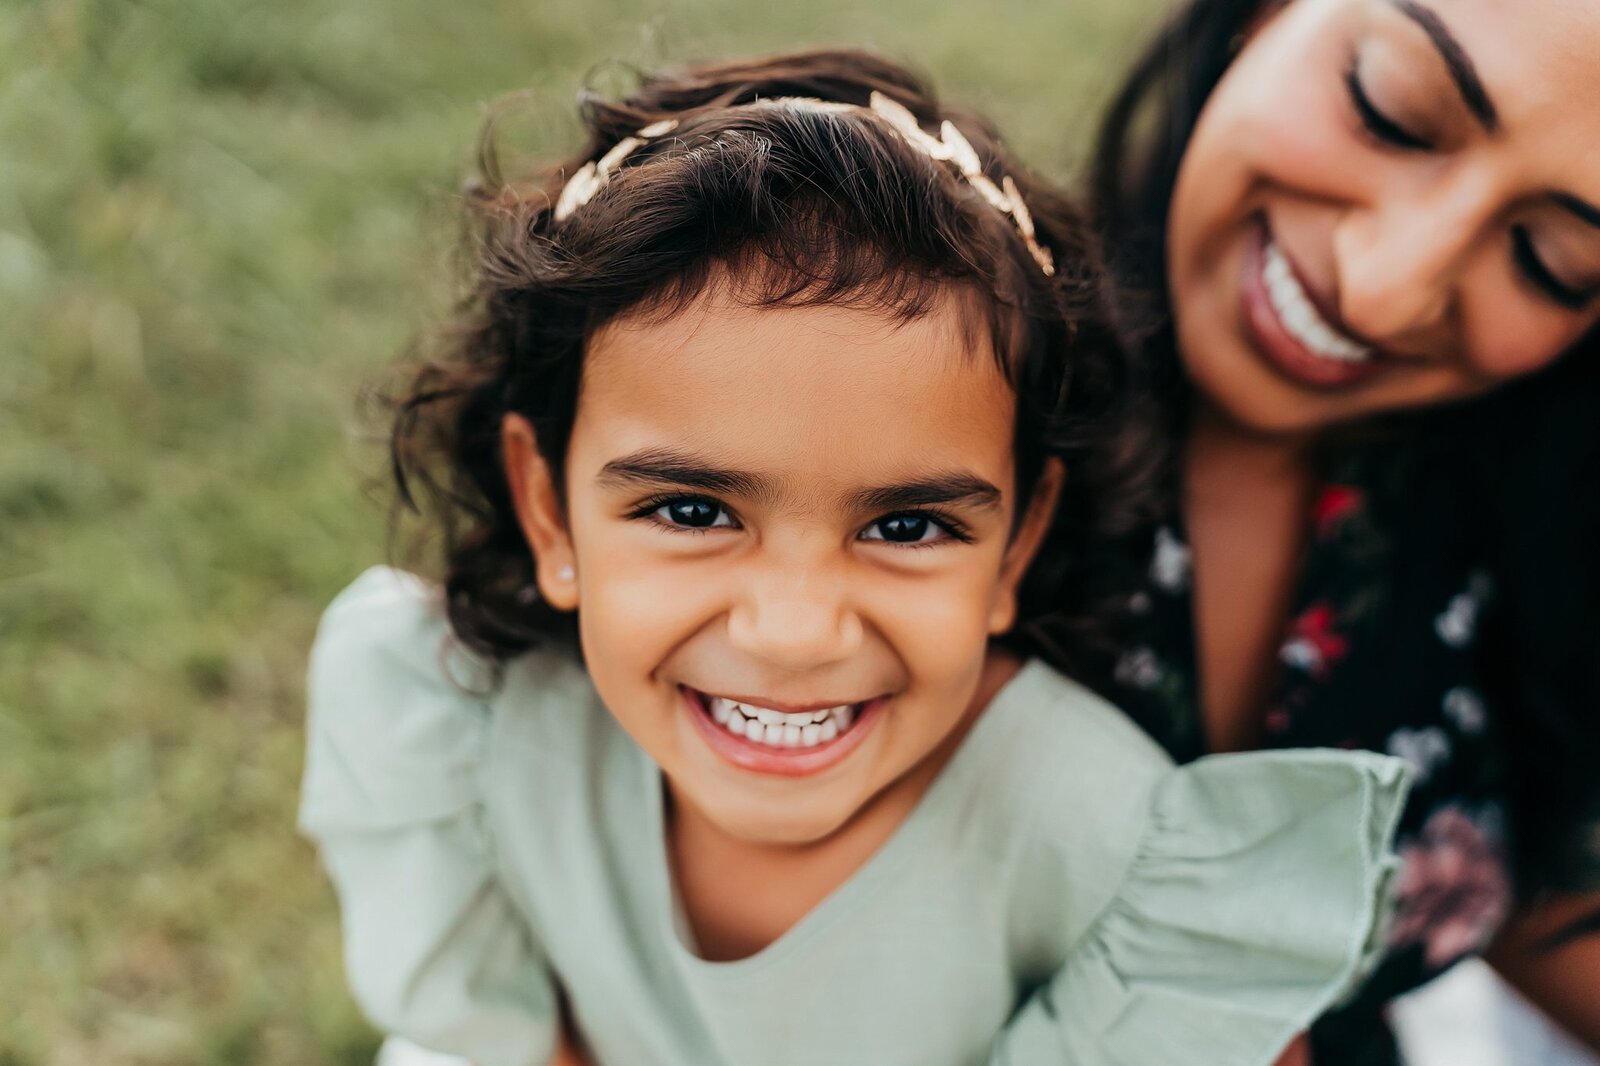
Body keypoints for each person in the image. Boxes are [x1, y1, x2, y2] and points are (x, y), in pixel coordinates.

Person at [299, 50, 1409, 1066]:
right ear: (548, 512)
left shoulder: (1100, 837)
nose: (794, 633)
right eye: (690, 510)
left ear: (1016, 546)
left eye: (905, 527)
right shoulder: (470, 733)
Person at [1079, 0, 1600, 1061]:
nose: (1382, 290)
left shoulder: (1516, 532)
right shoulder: (911, 401)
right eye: (1390, 111)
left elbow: (1549, 884)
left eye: (1548, 259)